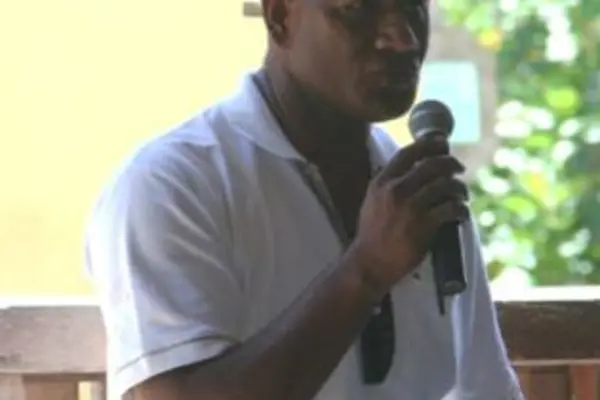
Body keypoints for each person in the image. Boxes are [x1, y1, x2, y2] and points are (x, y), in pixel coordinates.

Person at [84, 0, 525, 399]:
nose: (403, 38)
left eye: (413, 6)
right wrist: (365, 270)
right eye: (359, 9)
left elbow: (484, 388)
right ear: (280, 17)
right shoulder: (170, 185)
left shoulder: (420, 195)